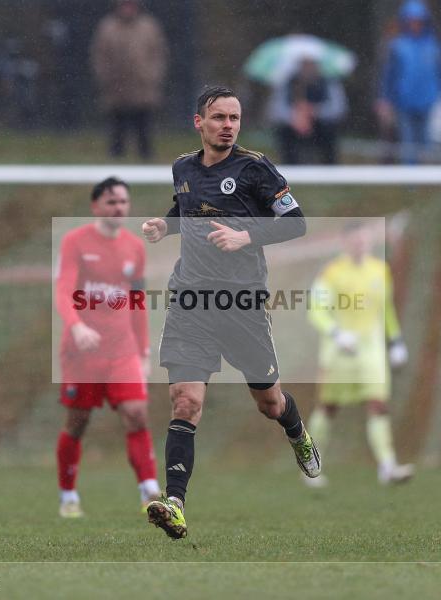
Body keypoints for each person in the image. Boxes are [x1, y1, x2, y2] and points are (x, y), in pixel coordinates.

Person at [140, 86, 319, 539]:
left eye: (235, 118)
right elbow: (186, 209)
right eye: (219, 117)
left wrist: (246, 237)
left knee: (269, 402)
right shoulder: (183, 167)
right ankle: (175, 502)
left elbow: (296, 222)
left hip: (242, 304)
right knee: (186, 400)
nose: (228, 125)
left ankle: (297, 432)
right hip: (191, 302)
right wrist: (166, 224)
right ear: (198, 122)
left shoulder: (254, 169)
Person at [54, 177, 160, 518]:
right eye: (112, 202)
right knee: (78, 422)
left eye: (123, 202)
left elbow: (138, 303)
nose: (119, 208)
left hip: (122, 350)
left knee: (136, 413)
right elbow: (62, 290)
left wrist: (143, 352)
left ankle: (150, 492)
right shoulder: (74, 242)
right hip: (81, 351)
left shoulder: (135, 248)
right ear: (96, 206)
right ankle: (68, 496)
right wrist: (77, 326)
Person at [306, 222, 413, 487]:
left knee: (379, 404)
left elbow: (385, 310)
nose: (360, 245)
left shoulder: (380, 270)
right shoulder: (331, 273)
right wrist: (336, 333)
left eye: (364, 240)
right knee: (328, 408)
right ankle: (310, 466)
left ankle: (387, 466)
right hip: (339, 352)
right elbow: (315, 310)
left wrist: (396, 340)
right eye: (355, 241)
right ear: (345, 243)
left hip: (372, 352)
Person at [90, 0, 168, 159]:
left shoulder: (149, 27)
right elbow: (99, 55)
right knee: (117, 127)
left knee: (143, 126)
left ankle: (146, 157)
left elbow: (159, 54)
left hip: (143, 87)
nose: (128, 9)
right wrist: (105, 77)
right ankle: (116, 158)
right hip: (116, 87)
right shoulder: (107, 28)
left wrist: (152, 75)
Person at [377, 0, 441, 165]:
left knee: (426, 140)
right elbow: (389, 75)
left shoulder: (432, 45)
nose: (415, 25)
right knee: (408, 142)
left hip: (427, 100)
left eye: (419, 21)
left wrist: (439, 93)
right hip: (404, 101)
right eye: (412, 21)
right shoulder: (398, 46)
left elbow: (439, 72)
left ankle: (426, 178)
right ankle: (410, 180)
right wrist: (385, 98)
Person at [269, 58, 348, 164]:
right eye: (304, 64)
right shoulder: (287, 83)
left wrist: (315, 111)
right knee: (283, 133)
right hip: (293, 126)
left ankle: (330, 169)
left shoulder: (329, 83)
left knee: (329, 133)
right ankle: (290, 167)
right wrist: (295, 116)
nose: (308, 68)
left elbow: (338, 109)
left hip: (321, 126)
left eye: (311, 64)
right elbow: (276, 110)